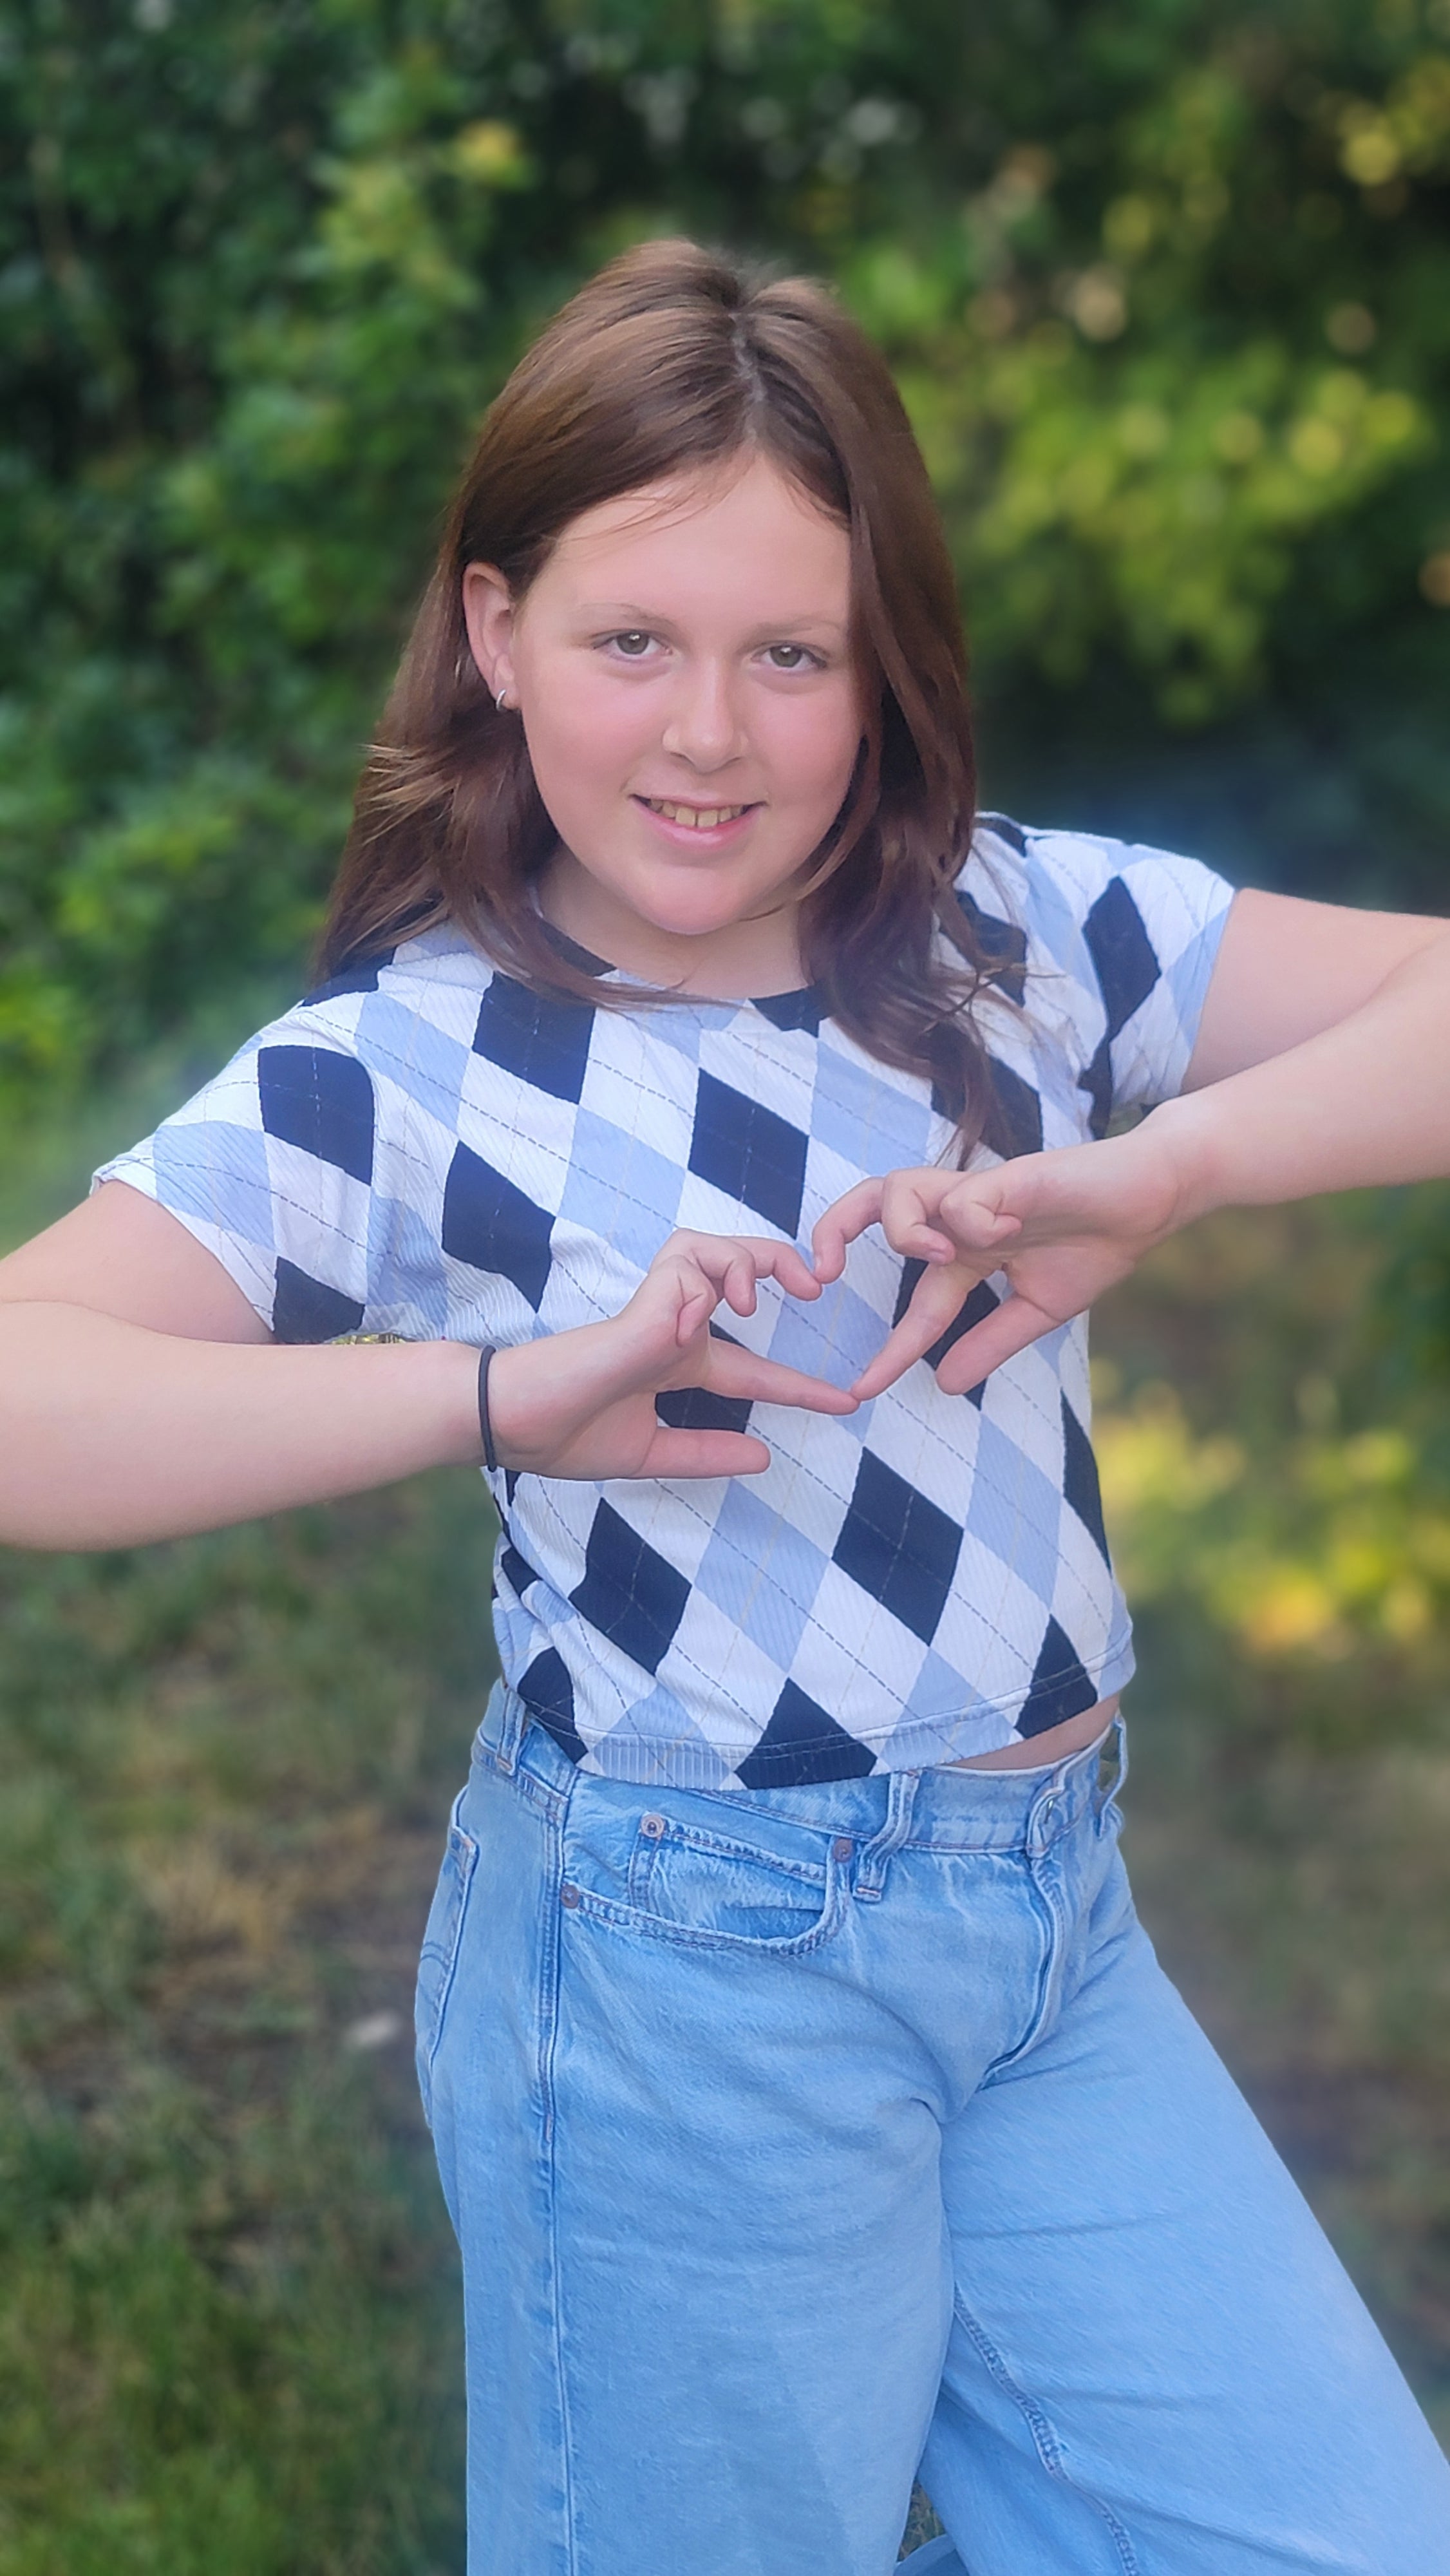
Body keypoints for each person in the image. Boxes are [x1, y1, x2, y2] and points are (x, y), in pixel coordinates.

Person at [1, 238, 1447, 2576]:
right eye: (631, 644)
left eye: (791, 653)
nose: (707, 733)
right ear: (495, 633)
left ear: (880, 667)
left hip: (1051, 1938)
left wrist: (1173, 1167)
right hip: (686, 1982)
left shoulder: (1009, 932)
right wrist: (493, 1396)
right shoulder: (411, 1064)